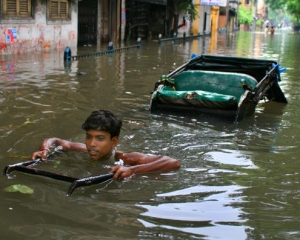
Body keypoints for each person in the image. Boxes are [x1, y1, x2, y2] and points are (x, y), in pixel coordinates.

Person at [30, 110, 180, 179]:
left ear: (113, 141)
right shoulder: (83, 150)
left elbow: (173, 162)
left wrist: (133, 170)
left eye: (100, 139)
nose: (91, 144)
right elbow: (56, 140)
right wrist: (45, 149)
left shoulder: (126, 158)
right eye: (89, 137)